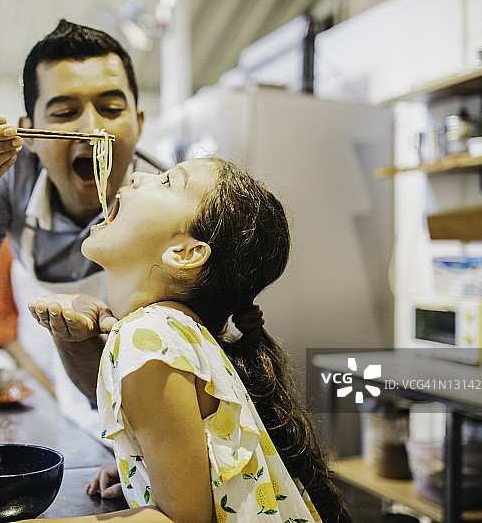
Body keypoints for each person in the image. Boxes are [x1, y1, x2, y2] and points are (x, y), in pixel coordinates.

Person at [26, 157, 351, 522]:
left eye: (167, 182)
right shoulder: (174, 329)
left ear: (184, 253)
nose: (136, 175)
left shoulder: (147, 335)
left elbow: (184, 519)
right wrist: (144, 470)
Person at [0, 19, 162, 437]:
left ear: (140, 121)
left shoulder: (167, 201)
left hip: (151, 417)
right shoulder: (8, 180)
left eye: (111, 109)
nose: (93, 130)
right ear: (30, 133)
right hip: (59, 398)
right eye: (65, 112)